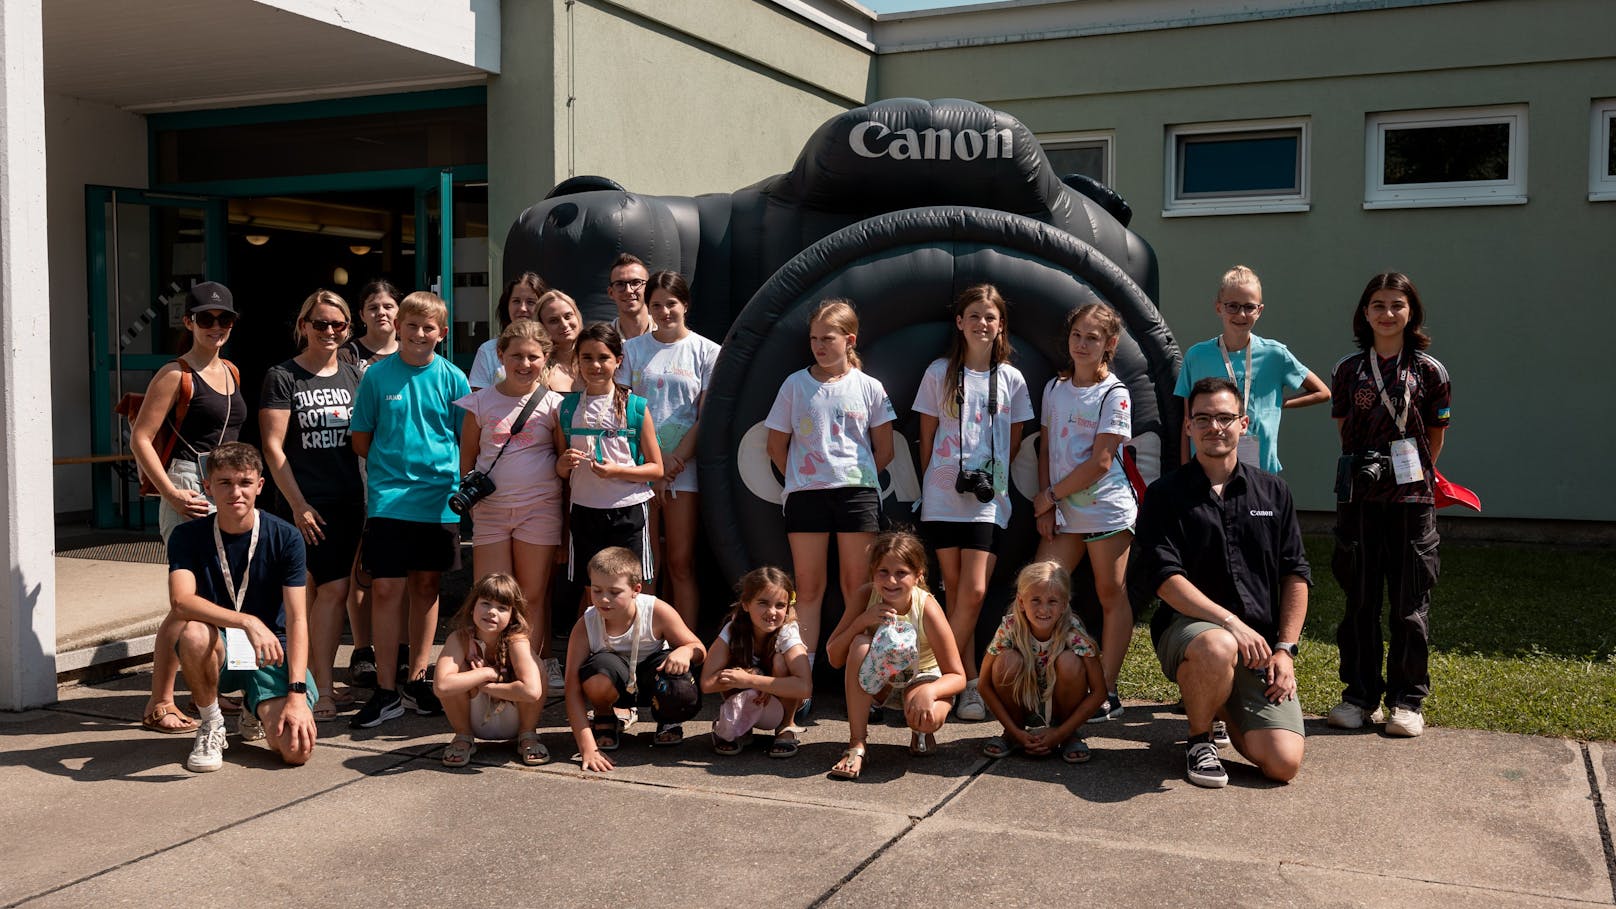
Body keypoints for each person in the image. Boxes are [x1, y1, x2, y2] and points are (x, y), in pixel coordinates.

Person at [1130, 377, 1310, 789]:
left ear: (1244, 423)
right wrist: (1230, 622)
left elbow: (1295, 573)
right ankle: (1199, 738)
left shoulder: (1273, 491)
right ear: (1189, 427)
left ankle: (1223, 699)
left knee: (1283, 764)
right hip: (1191, 629)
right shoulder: (1165, 494)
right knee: (1218, 644)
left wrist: (1284, 650)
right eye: (1204, 418)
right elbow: (1165, 579)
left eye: (1225, 417)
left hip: (1259, 646)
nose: (1215, 427)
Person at [1326, 272, 1450, 738]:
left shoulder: (1430, 371)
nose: (1387, 313)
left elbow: (1437, 434)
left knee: (1408, 602)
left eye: (1396, 304)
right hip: (1359, 499)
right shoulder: (1347, 370)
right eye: (1377, 304)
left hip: (1411, 499)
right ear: (1364, 313)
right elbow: (1344, 430)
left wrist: (1411, 470)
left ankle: (1406, 700)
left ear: (1411, 312)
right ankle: (1359, 697)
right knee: (1359, 600)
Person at [765, 299, 896, 723]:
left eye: (829, 338)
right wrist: (805, 479)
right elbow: (775, 446)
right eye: (814, 339)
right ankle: (803, 687)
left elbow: (885, 449)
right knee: (809, 587)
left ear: (849, 340)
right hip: (806, 496)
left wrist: (850, 476)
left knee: (858, 585)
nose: (820, 346)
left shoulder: (869, 387)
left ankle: (863, 680)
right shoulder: (793, 384)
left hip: (857, 494)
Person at [348, 291, 470, 728]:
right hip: (389, 499)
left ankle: (419, 679)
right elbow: (361, 438)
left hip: (439, 500)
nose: (420, 334)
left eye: (429, 327)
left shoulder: (454, 378)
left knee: (426, 587)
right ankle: (386, 689)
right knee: (384, 590)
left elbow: (464, 441)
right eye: (412, 325)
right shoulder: (377, 377)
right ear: (398, 327)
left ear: (442, 332)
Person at [912, 284, 1033, 722]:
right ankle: (967, 685)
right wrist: (936, 480)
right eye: (974, 315)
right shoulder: (938, 372)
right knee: (955, 588)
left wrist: (990, 478)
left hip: (988, 499)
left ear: (1001, 326)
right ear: (959, 322)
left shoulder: (1013, 379)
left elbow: (1015, 441)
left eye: (991, 317)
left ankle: (935, 673)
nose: (983, 323)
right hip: (943, 495)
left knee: (977, 590)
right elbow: (926, 436)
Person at [131, 280, 247, 736]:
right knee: (187, 601)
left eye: (224, 319)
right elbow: (141, 437)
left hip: (221, 485)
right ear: (190, 322)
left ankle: (208, 691)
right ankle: (159, 701)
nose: (216, 327)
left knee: (213, 596)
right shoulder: (174, 374)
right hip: (186, 484)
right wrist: (170, 493)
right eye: (206, 319)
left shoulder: (232, 372)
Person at [168, 442, 316, 772]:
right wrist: (246, 621)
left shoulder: (286, 537)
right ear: (207, 487)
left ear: (260, 486)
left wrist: (296, 695)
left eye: (245, 483)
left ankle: (255, 705)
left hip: (271, 649)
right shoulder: (186, 536)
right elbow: (180, 601)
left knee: (295, 750)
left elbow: (297, 618)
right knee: (192, 631)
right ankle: (211, 723)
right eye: (224, 483)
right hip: (219, 645)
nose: (236, 492)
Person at [259, 289, 365, 722]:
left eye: (338, 325)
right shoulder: (282, 376)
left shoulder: (356, 375)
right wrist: (299, 504)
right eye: (320, 323)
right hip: (298, 502)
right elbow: (272, 446)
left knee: (337, 592)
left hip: (347, 500)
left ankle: (323, 680)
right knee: (300, 593)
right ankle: (299, 684)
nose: (329, 331)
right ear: (303, 326)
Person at [1029, 303, 1135, 723]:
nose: (1083, 343)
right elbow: (1047, 447)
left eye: (1093, 337)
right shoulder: (1054, 388)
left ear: (1109, 344)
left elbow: (1102, 462)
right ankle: (1038, 682)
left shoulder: (1115, 393)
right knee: (1036, 594)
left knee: (1111, 597)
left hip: (1106, 511)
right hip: (1060, 510)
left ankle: (1106, 691)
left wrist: (1051, 495)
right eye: (1077, 335)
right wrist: (1045, 501)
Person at [454, 320, 566, 692]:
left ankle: (526, 675)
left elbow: (563, 461)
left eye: (533, 356)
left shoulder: (555, 405)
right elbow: (467, 461)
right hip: (492, 513)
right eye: (515, 355)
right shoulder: (480, 402)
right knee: (491, 596)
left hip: (540, 509)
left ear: (546, 358)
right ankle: (489, 675)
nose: (524, 363)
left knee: (531, 597)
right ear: (500, 355)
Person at [824, 531, 965, 781]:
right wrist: (861, 622)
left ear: (918, 574)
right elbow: (834, 657)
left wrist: (929, 692)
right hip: (882, 683)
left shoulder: (927, 607)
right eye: (883, 572)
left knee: (927, 717)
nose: (891, 580)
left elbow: (957, 675)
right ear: (872, 573)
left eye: (901, 573)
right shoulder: (866, 596)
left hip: (920, 678)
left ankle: (920, 730)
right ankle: (857, 744)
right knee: (859, 645)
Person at [622, 271, 721, 627]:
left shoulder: (708, 351)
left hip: (684, 470)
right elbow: (623, 411)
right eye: (657, 305)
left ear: (686, 304)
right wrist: (653, 464)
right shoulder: (631, 350)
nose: (664, 311)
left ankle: (686, 643)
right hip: (638, 470)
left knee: (681, 563)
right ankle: (643, 643)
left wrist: (673, 462)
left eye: (671, 303)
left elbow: (705, 417)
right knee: (645, 565)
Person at [1175, 265, 1330, 472]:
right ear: (1218, 307)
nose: (1241, 314)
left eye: (1249, 307)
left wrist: (1280, 402)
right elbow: (1186, 420)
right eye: (1232, 306)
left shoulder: (1275, 354)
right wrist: (1185, 469)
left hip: (1261, 467)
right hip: (1206, 468)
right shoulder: (1197, 356)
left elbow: (1323, 392)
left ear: (1260, 310)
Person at [564, 547, 706, 772]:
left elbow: (699, 648)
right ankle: (604, 714)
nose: (604, 599)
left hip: (653, 678)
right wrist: (587, 748)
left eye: (614, 591)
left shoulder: (656, 610)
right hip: (615, 684)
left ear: (636, 590)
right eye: (597, 590)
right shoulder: (586, 624)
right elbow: (571, 686)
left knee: (681, 683)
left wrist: (686, 651)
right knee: (596, 672)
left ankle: (668, 719)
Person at [554, 322, 664, 589]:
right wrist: (564, 463)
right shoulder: (565, 408)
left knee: (634, 588)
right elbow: (560, 470)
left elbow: (656, 469)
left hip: (629, 510)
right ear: (577, 360)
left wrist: (618, 471)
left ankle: (641, 633)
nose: (595, 365)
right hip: (584, 510)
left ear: (618, 360)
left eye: (603, 357)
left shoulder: (635, 406)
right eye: (587, 358)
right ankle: (592, 633)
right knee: (591, 590)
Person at [339, 278, 403, 690]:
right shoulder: (347, 355)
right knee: (359, 565)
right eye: (373, 306)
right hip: (355, 465)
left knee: (401, 572)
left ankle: (401, 652)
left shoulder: (416, 351)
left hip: (402, 474)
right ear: (360, 315)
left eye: (389, 305)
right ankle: (362, 649)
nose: (382, 312)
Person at [977, 560, 1107, 763]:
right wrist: (1015, 730)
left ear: (1064, 604)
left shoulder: (1073, 633)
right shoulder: (1010, 628)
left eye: (1052, 601)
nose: (1043, 609)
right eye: (1035, 600)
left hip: (1060, 708)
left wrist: (1060, 733)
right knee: (1006, 661)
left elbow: (1100, 692)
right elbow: (983, 684)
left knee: (1069, 662)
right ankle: (1013, 735)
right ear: (1021, 602)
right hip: (1021, 705)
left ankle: (1069, 735)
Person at [432, 572, 548, 767]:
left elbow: (531, 691)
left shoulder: (516, 640)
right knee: (453, 669)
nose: (492, 612)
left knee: (536, 666)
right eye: (485, 603)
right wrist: (487, 673)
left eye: (502, 608)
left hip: (516, 718)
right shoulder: (459, 639)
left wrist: (485, 686)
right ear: (472, 607)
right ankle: (462, 736)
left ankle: (528, 735)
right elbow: (441, 686)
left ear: (512, 616)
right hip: (473, 717)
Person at [700, 566, 811, 758]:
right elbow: (707, 683)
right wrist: (744, 674)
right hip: (751, 698)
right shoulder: (733, 629)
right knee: (732, 664)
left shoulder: (787, 632)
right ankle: (738, 725)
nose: (772, 612)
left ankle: (787, 726)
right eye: (763, 603)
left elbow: (804, 687)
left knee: (780, 661)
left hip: (789, 703)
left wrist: (752, 681)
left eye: (780, 605)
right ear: (745, 604)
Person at [468, 272, 548, 390]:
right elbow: (478, 402)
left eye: (531, 302)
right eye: (516, 301)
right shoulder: (488, 350)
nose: (522, 308)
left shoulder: (554, 348)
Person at [536, 289, 584, 393]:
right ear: (541, 327)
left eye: (568, 316)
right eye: (553, 321)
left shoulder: (596, 360)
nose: (564, 325)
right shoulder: (536, 369)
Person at [606, 253, 653, 340]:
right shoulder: (603, 342)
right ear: (611, 292)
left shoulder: (669, 336)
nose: (628, 290)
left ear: (648, 288)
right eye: (620, 284)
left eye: (636, 283)